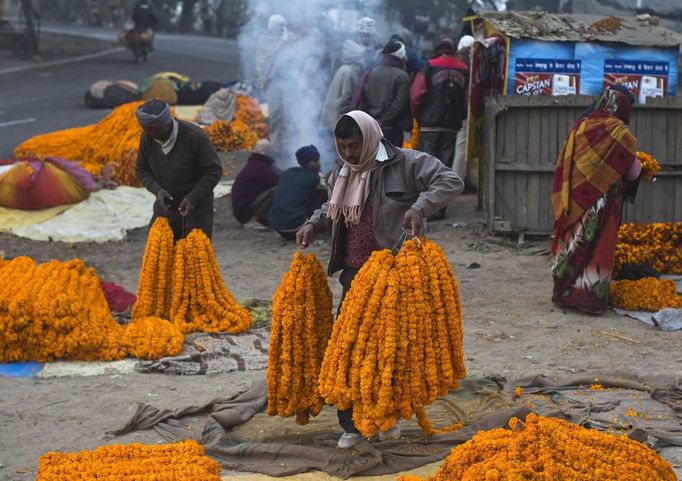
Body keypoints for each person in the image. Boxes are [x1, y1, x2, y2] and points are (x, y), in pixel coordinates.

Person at [296, 111, 464, 448]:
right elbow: (332, 206)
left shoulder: (407, 163)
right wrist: (313, 223)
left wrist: (420, 207)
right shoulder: (341, 173)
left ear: (370, 139)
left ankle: (388, 418)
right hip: (355, 274)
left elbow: (451, 181)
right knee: (348, 351)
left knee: (391, 353)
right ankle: (352, 426)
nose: (350, 153)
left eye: (355, 146)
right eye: (343, 146)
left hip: (394, 274)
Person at [550, 85, 641, 314]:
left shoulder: (581, 126)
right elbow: (633, 173)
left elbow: (567, 162)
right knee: (598, 249)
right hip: (605, 202)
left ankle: (565, 292)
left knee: (575, 244)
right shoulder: (621, 134)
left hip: (577, 198)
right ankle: (588, 300)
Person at [135, 99, 223, 240]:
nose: (150, 134)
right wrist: (157, 190)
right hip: (166, 209)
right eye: (146, 130)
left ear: (166, 122)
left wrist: (193, 198)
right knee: (159, 255)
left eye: (154, 129)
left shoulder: (194, 137)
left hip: (195, 210)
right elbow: (141, 169)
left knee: (194, 257)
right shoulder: (148, 138)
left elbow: (214, 171)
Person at [410, 37, 468, 220]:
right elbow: (467, 98)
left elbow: (416, 94)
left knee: (427, 168)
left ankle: (424, 210)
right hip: (451, 127)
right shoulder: (463, 69)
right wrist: (461, 116)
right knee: (444, 169)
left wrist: (419, 116)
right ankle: (440, 209)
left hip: (429, 126)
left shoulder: (429, 65)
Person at [354, 40, 411, 147]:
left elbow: (363, 98)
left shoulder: (371, 72)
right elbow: (399, 105)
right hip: (392, 130)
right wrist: (384, 121)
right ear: (401, 55)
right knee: (391, 161)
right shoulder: (402, 76)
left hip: (371, 126)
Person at [268, 145, 327, 240]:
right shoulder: (314, 178)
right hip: (296, 227)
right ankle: (315, 226)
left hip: (277, 226)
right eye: (315, 161)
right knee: (322, 194)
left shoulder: (287, 172)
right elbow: (327, 188)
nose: (319, 164)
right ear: (307, 163)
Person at [255, 15, 294, 158]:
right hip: (273, 82)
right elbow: (262, 63)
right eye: (279, 25)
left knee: (289, 116)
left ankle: (291, 147)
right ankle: (276, 147)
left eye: (284, 24)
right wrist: (283, 42)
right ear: (271, 26)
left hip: (288, 82)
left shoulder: (289, 38)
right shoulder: (264, 41)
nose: (282, 28)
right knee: (276, 115)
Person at [231, 139, 280, 231]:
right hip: (244, 211)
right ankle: (253, 220)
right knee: (276, 191)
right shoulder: (260, 169)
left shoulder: (255, 164)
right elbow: (279, 182)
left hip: (241, 209)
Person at [320, 40, 365, 131]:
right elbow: (345, 98)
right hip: (338, 117)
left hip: (334, 116)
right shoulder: (349, 72)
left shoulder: (344, 69)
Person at [451, 35, 474, 184]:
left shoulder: (454, 63)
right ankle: (455, 181)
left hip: (448, 113)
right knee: (460, 148)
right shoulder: (469, 65)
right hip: (463, 113)